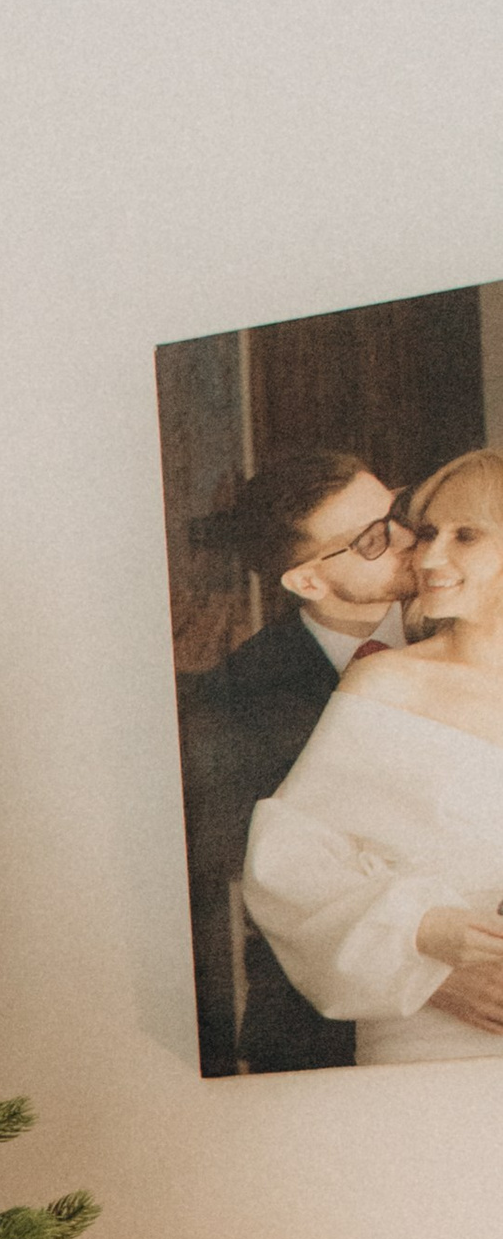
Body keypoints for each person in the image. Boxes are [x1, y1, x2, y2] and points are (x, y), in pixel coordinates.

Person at [244, 449, 503, 1065]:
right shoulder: (383, 683)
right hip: (429, 1035)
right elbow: (286, 862)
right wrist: (421, 940)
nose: (425, 553)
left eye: (464, 535)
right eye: (432, 530)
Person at [177, 451, 417, 1074]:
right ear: (307, 581)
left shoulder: (465, 621)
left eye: (398, 511)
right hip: (325, 1020)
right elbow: (272, 878)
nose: (410, 540)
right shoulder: (237, 695)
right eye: (373, 539)